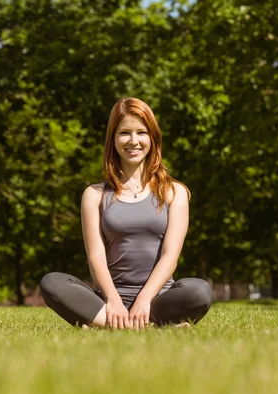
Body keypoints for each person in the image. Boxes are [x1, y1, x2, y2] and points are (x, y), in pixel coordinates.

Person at [40, 97, 213, 330]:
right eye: (124, 133)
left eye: (141, 132)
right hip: (108, 301)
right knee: (52, 282)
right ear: (113, 139)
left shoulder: (174, 192)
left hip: (158, 300)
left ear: (153, 138)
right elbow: (96, 257)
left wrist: (144, 300)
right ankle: (144, 326)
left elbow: (170, 256)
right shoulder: (94, 195)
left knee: (200, 291)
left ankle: (111, 325)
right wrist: (113, 300)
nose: (133, 141)